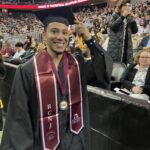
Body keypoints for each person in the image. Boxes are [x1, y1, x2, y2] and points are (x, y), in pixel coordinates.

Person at [0, 6, 112, 150]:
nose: (60, 37)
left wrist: (89, 38)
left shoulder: (77, 66)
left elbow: (103, 73)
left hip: (75, 143)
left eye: (65, 32)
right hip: (42, 145)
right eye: (54, 31)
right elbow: (19, 120)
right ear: (44, 35)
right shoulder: (27, 71)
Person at [107, 0, 138, 64]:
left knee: (125, 64)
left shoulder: (129, 18)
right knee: (116, 66)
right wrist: (123, 16)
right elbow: (113, 27)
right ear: (120, 8)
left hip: (127, 46)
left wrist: (133, 20)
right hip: (116, 46)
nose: (127, 7)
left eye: (128, 6)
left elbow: (135, 31)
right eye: (125, 6)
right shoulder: (114, 15)